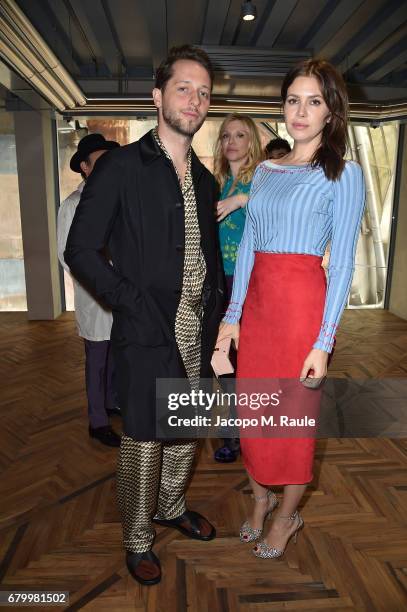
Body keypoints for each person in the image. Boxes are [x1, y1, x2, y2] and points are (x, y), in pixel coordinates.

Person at [65, 45, 224, 585]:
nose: (195, 100)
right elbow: (80, 250)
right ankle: (136, 536)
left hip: (198, 329)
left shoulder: (205, 180)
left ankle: (171, 506)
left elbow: (205, 254)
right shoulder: (121, 168)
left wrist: (220, 315)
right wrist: (130, 302)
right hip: (144, 327)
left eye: (204, 92)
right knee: (142, 437)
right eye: (184, 88)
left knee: (184, 432)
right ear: (157, 96)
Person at [218, 59, 365, 559]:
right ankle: (259, 499)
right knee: (253, 416)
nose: (301, 112)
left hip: (303, 310)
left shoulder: (344, 174)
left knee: (294, 423)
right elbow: (251, 252)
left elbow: (342, 263)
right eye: (293, 100)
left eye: (314, 101)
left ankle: (286, 515)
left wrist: (324, 342)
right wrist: (232, 315)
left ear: (331, 112)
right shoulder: (264, 170)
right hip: (258, 309)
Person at [57, 133, 121, 448]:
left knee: (114, 355)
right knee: (96, 358)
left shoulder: (116, 199)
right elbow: (66, 255)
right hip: (95, 296)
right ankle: (98, 421)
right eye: (99, 161)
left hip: (120, 293)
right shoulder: (72, 205)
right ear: (84, 167)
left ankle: (111, 402)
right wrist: (101, 284)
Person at [213, 114, 263, 463]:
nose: (232, 141)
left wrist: (241, 200)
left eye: (240, 135)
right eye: (226, 135)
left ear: (252, 143)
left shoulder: (262, 179)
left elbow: (278, 210)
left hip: (249, 282)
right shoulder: (213, 182)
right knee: (221, 358)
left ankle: (250, 432)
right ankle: (232, 432)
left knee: (248, 360)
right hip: (218, 282)